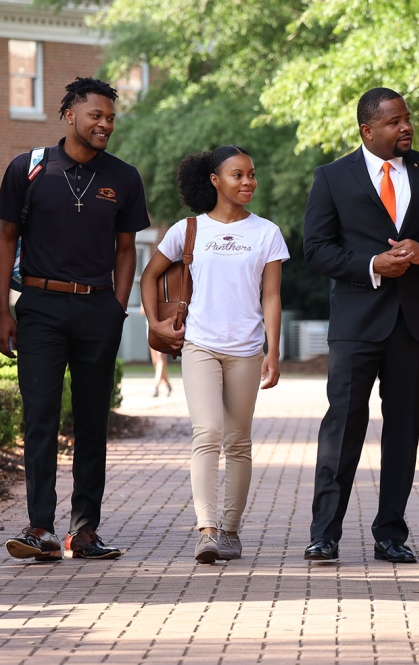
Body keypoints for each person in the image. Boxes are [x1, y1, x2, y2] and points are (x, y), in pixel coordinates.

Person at [302, 87, 419, 564]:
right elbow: (315, 250)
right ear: (367, 130)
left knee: (403, 430)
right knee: (343, 426)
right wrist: (372, 263)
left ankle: (390, 534)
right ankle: (325, 533)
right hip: (358, 323)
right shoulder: (332, 177)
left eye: (407, 119)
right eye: (395, 121)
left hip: (416, 324)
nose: (406, 127)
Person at [0, 77, 151, 562]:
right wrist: (2, 310)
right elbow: (5, 240)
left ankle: (84, 531)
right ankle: (40, 527)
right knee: (39, 418)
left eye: (110, 118)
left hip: (96, 309)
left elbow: (127, 250)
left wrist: (117, 305)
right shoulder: (29, 169)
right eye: (95, 116)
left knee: (90, 422)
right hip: (39, 306)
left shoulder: (123, 177)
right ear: (70, 116)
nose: (104, 124)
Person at [140, 145, 288, 564]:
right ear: (214, 180)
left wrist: (272, 350)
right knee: (207, 433)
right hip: (199, 345)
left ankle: (231, 530)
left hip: (245, 349)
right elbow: (149, 277)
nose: (247, 183)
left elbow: (272, 295)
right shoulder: (187, 230)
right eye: (237, 175)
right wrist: (155, 323)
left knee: (238, 441)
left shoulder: (266, 232)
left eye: (252, 175)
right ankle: (206, 530)